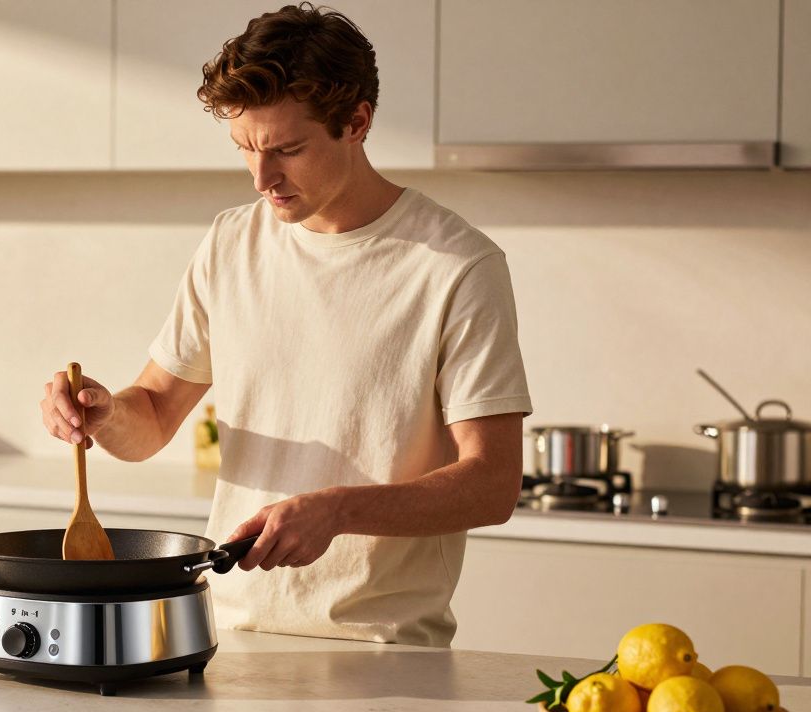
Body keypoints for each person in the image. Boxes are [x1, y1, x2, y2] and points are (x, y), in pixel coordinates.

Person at [38, 3, 531, 647]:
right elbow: (153, 415)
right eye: (244, 148)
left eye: (287, 150)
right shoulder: (230, 243)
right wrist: (104, 416)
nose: (262, 178)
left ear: (357, 122)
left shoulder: (457, 267)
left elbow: (492, 485)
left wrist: (338, 510)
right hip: (227, 635)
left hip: (384, 652)